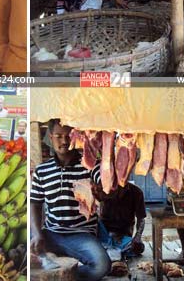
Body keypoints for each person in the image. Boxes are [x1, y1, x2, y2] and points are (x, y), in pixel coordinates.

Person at [31, 119, 111, 281]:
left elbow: (104, 192)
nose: (64, 141)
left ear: (76, 137)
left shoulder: (90, 165)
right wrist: (37, 234)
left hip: (81, 235)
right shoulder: (42, 171)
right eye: (59, 136)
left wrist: (100, 193)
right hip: (51, 233)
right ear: (51, 138)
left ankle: (66, 278)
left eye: (69, 136)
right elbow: (35, 202)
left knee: (103, 266)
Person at [93, 180, 147, 264]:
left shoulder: (137, 192)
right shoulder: (106, 187)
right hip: (104, 231)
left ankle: (109, 250)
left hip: (123, 235)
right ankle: (111, 250)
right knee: (94, 220)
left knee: (139, 248)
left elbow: (141, 219)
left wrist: (138, 237)